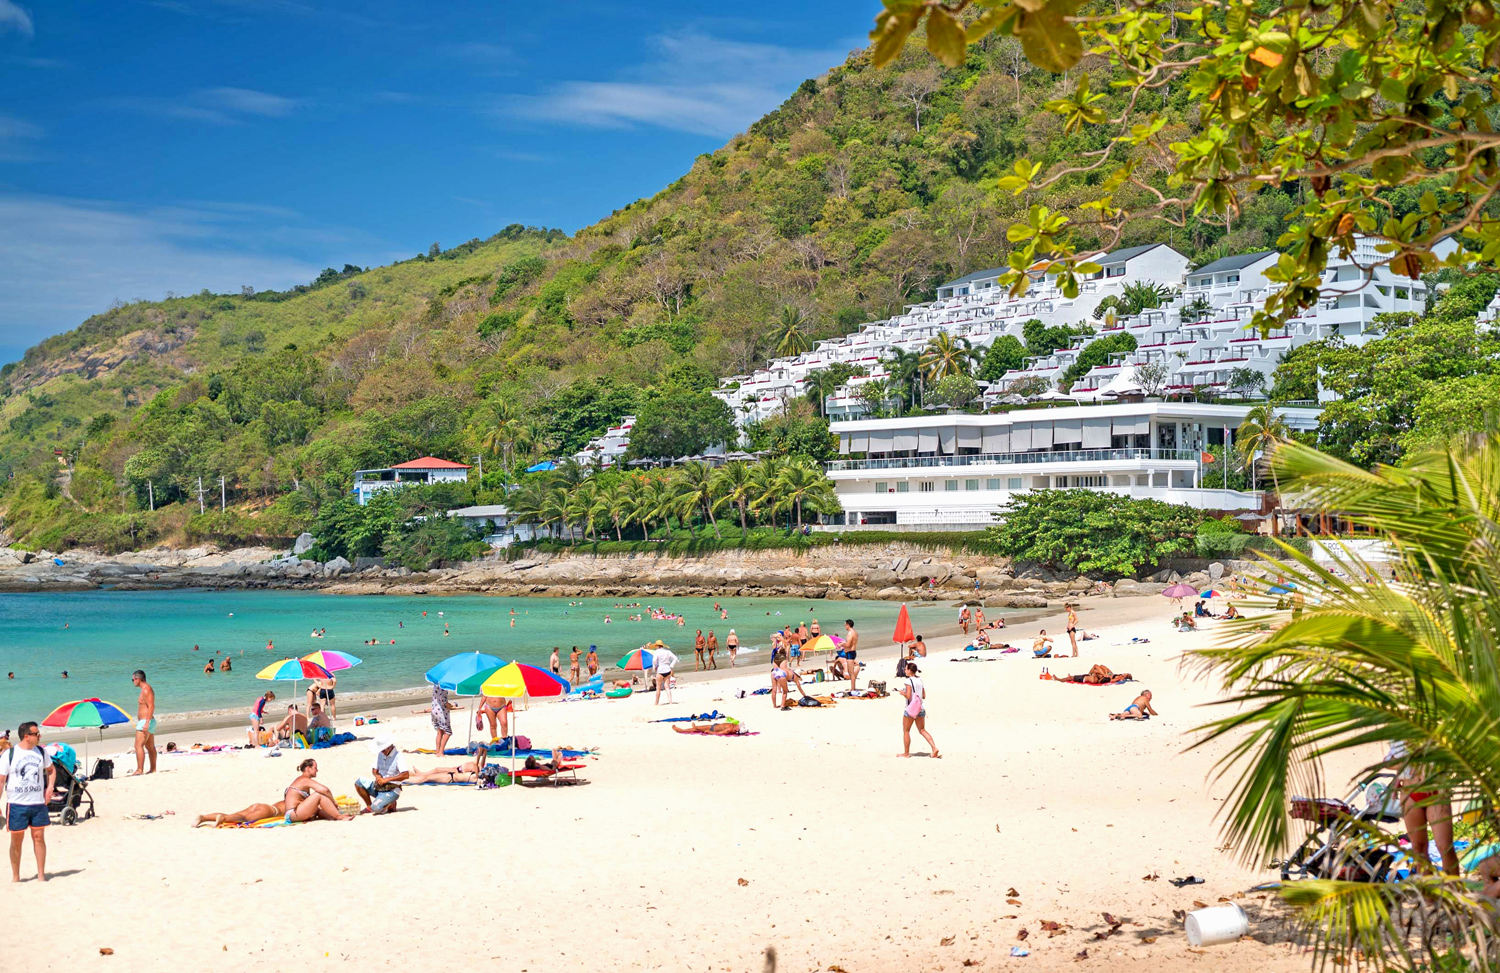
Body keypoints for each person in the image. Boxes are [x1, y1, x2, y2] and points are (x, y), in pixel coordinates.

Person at [1390, 740, 1460, 877]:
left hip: (1436, 790)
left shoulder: (1433, 727)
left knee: (1445, 846)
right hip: (1410, 792)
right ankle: (1429, 894)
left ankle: (1454, 891)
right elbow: (1390, 762)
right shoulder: (1398, 735)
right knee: (1418, 847)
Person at [1, 721, 54, 882]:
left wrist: (50, 788)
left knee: (39, 837)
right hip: (17, 804)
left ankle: (41, 875)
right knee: (17, 840)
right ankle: (16, 877)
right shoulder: (9, 754)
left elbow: (51, 770)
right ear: (26, 736)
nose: (39, 736)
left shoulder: (41, 752)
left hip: (38, 803)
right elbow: (1, 781)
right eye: (36, 734)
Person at [284, 758, 352, 823]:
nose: (317, 770)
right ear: (308, 768)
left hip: (295, 813)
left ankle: (335, 816)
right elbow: (325, 790)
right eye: (315, 768)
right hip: (293, 814)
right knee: (319, 794)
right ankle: (340, 817)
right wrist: (334, 801)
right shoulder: (304, 780)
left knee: (320, 809)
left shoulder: (302, 779)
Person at [356, 736, 410, 815]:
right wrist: (378, 776)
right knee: (359, 782)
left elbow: (406, 775)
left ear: (389, 747)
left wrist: (386, 779)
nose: (382, 752)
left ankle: (390, 802)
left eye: (384, 750)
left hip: (392, 789)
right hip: (379, 786)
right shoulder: (380, 754)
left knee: (376, 808)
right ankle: (369, 806)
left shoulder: (398, 756)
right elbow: (374, 769)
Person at [898, 663, 939, 759]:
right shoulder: (920, 680)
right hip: (920, 708)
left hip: (911, 709)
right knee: (922, 730)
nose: (904, 670)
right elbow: (923, 696)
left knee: (906, 730)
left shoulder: (908, 681)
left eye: (906, 669)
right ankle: (934, 747)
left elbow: (908, 696)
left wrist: (902, 693)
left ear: (909, 670)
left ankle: (906, 753)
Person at [407, 748, 489, 784]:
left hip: (451, 777)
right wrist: (484, 751)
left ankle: (405, 780)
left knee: (427, 778)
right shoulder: (479, 771)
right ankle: (410, 776)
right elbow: (480, 763)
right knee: (429, 776)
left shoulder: (477, 777)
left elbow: (475, 763)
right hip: (451, 775)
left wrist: (480, 753)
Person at [130, 669, 156, 775]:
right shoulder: (145, 689)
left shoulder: (146, 689)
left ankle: (139, 770)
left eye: (133, 680)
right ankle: (153, 769)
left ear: (138, 679)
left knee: (138, 746)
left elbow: (151, 706)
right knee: (150, 747)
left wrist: (146, 723)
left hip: (146, 721)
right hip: (147, 721)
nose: (133, 682)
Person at [194, 799, 286, 828]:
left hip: (262, 806)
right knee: (244, 818)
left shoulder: (287, 799)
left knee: (234, 815)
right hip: (271, 811)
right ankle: (223, 819)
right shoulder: (295, 803)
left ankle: (204, 818)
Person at [430, 681, 454, 756]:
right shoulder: (443, 686)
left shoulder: (436, 684)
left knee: (440, 731)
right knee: (448, 732)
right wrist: (450, 706)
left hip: (434, 709)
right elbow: (443, 701)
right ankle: (441, 752)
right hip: (441, 711)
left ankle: (437, 751)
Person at [842, 619, 861, 690]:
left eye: (845, 625)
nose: (845, 627)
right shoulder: (855, 632)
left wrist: (841, 644)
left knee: (851, 672)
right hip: (851, 652)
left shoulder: (850, 633)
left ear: (848, 625)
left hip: (850, 652)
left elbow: (848, 644)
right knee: (851, 672)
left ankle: (853, 688)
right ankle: (853, 687)